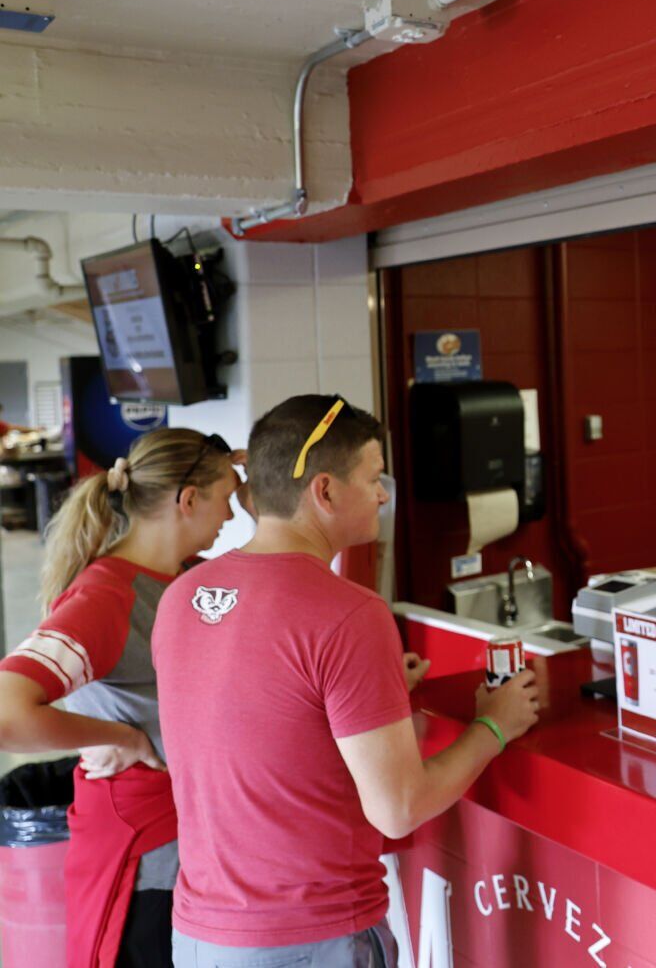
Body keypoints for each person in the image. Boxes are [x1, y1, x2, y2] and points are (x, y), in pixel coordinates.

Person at [153, 395, 541, 966]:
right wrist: (494, 725)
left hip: (199, 934)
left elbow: (259, 717)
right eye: (375, 478)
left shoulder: (182, 596)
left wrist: (373, 694)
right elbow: (399, 806)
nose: (384, 495)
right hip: (309, 937)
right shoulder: (349, 614)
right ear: (326, 491)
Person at [0, 428, 240, 968]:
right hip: (146, 860)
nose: (232, 514)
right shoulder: (107, 595)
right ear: (188, 500)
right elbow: (7, 711)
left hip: (197, 837)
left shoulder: (189, 579)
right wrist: (119, 736)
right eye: (228, 497)